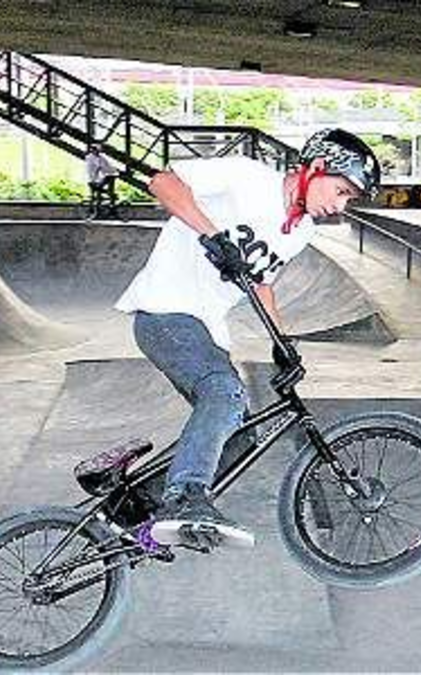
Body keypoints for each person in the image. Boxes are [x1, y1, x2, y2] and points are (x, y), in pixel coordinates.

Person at [114, 128, 381, 551]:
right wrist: (212, 235)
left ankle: (131, 512)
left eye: (349, 198)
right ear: (315, 168)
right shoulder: (246, 177)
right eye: (341, 190)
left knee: (239, 439)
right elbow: (162, 182)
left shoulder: (299, 232)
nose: (339, 206)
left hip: (205, 330)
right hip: (165, 310)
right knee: (223, 390)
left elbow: (262, 283)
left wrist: (281, 343)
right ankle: (185, 497)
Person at [85, 144, 120, 219]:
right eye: (95, 150)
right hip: (94, 179)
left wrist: (113, 171)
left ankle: (111, 207)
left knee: (103, 191)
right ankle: (98, 211)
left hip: (102, 178)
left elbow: (106, 167)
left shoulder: (100, 157)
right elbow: (99, 167)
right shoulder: (91, 158)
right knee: (97, 194)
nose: (97, 152)